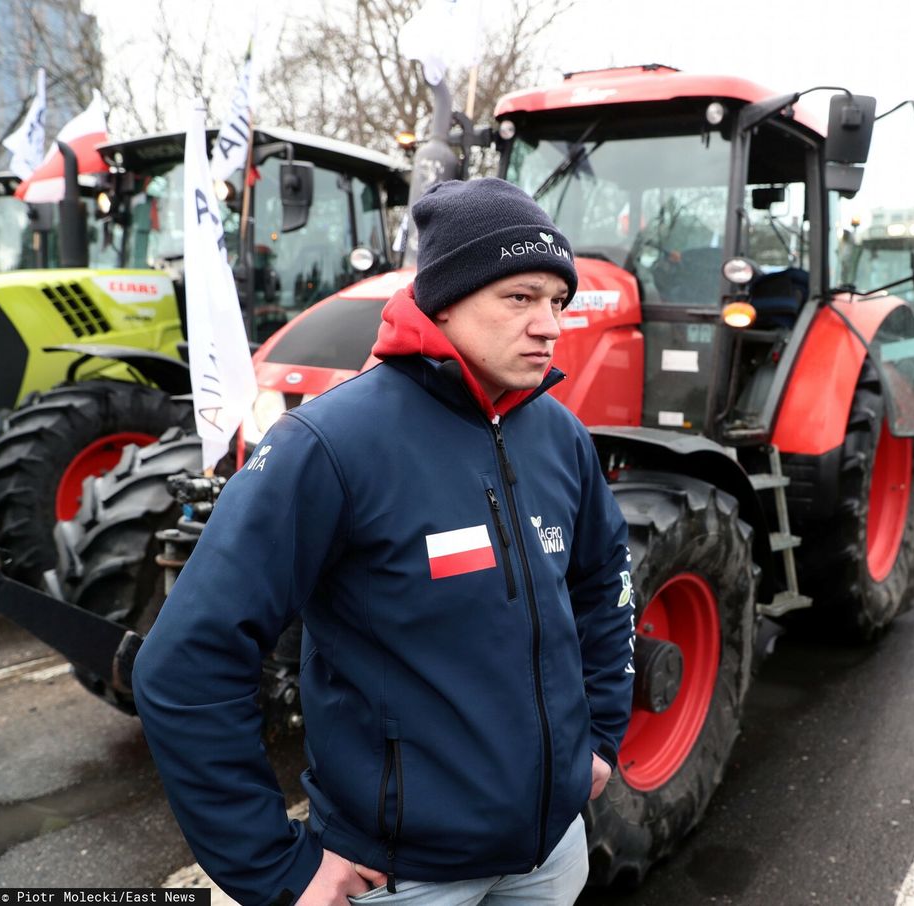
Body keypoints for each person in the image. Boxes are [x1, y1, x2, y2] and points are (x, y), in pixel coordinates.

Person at [133, 178, 637, 906]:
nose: (550, 326)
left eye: (557, 301)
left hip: (551, 855)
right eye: (519, 298)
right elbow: (187, 663)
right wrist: (277, 867)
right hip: (405, 877)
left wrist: (598, 740)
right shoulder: (332, 445)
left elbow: (603, 583)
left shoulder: (558, 435)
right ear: (446, 298)